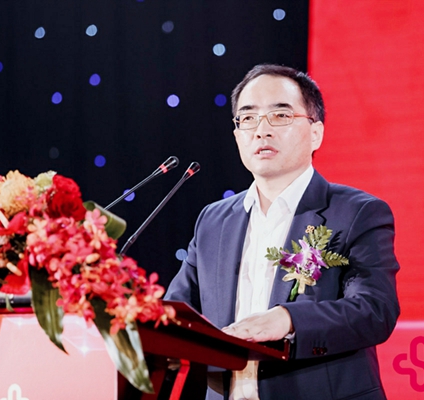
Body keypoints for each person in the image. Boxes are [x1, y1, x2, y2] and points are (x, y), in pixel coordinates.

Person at [165, 64, 400, 400]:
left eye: (280, 116)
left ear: (316, 133)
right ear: (237, 136)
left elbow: (375, 310)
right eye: (248, 118)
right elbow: (175, 311)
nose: (262, 130)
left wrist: (288, 319)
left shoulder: (356, 212)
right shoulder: (213, 221)